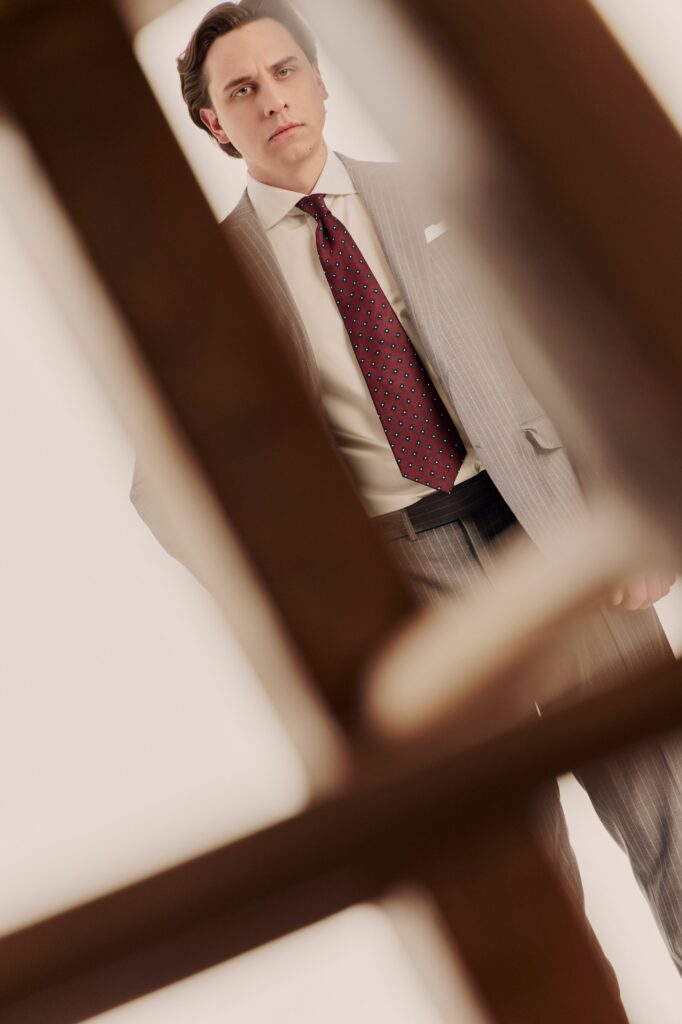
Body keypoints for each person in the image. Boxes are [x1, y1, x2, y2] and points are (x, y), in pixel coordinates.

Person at [131, 0, 682, 973]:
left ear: (320, 80)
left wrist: (629, 512)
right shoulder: (214, 278)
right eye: (242, 90)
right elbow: (162, 489)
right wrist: (306, 602)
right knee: (517, 868)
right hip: (406, 581)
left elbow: (573, 337)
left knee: (670, 815)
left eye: (284, 72)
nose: (273, 99)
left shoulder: (439, 189)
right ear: (214, 123)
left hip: (557, 536)